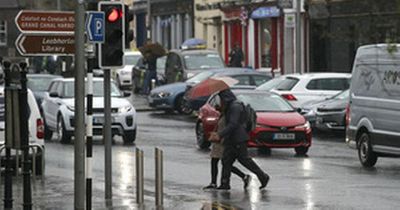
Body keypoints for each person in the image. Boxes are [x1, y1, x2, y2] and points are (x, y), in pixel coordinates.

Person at [209, 89, 270, 190]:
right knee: (226, 161)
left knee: (244, 160)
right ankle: (225, 183)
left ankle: (263, 176)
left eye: (221, 99)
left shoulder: (235, 106)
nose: (220, 101)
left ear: (225, 97)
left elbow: (233, 124)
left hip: (238, 139)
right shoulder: (230, 106)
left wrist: (220, 134)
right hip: (231, 138)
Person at [203, 104, 251, 190]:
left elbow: (229, 128)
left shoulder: (229, 115)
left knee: (225, 164)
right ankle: (213, 182)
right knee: (215, 161)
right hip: (218, 141)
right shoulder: (223, 114)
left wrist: (222, 138)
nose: (217, 106)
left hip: (223, 142)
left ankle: (243, 176)